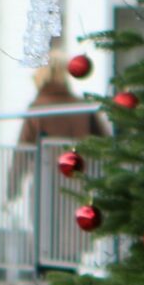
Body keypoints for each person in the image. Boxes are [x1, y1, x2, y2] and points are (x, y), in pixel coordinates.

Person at [15, 61, 102, 203]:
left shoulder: (37, 107)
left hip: (45, 184)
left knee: (45, 223)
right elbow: (102, 141)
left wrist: (12, 188)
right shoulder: (82, 106)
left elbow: (23, 150)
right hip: (78, 183)